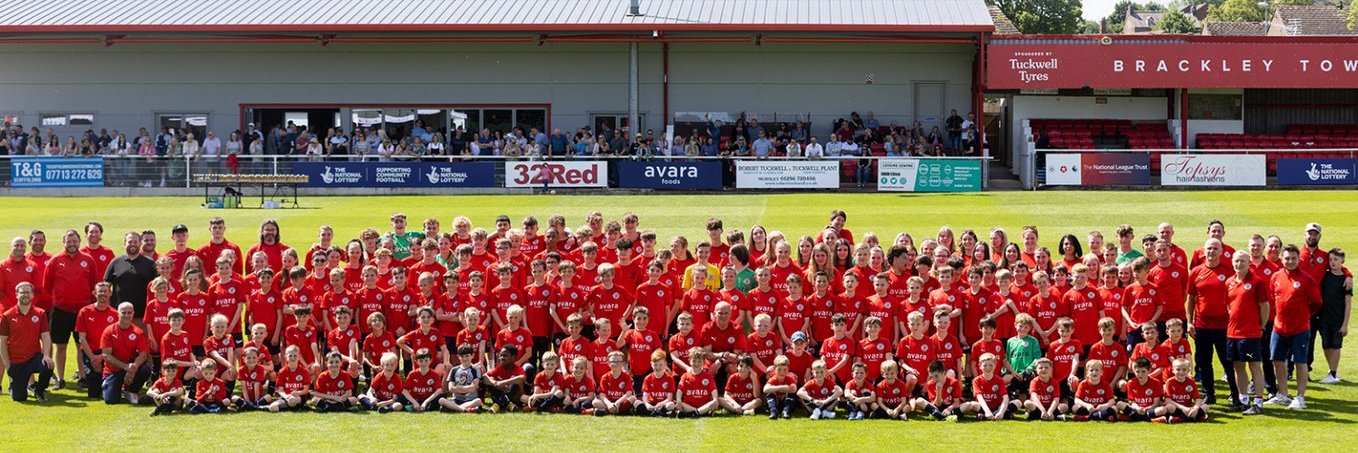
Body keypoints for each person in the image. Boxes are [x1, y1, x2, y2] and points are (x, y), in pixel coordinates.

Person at [1265, 245, 1322, 410]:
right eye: (1287, 258)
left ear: (1299, 260)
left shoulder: (1307, 279)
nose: (1290, 261)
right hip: (1279, 328)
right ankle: (1283, 394)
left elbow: (1317, 302)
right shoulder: (1276, 277)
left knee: (1300, 362)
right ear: (1282, 259)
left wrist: (1304, 315)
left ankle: (1300, 397)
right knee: (1277, 361)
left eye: (1293, 259)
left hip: (1300, 328)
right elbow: (1272, 299)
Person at [45, 229, 98, 390]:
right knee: (60, 346)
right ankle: (60, 379)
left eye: (74, 241)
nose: (72, 244)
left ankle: (83, 377)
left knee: (81, 345)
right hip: (61, 310)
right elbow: (47, 285)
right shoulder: (55, 260)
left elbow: (93, 283)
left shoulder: (88, 260)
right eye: (69, 241)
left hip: (82, 311)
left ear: (79, 242)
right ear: (64, 242)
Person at [1, 282, 53, 401]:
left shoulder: (40, 313)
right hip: (16, 361)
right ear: (16, 294)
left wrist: (46, 355)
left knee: (48, 365)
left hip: (34, 358)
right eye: (22, 292)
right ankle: (14, 385)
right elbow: (2, 342)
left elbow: (45, 336)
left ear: (32, 295)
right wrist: (8, 366)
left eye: (28, 292)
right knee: (19, 398)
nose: (25, 295)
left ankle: (39, 391)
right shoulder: (7, 316)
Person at [100, 302, 151, 404]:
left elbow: (144, 354)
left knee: (145, 369)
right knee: (111, 400)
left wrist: (134, 367)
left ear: (133, 313)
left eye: (129, 313)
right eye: (123, 313)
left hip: (130, 369)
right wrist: (125, 367)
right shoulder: (109, 331)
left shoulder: (138, 332)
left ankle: (130, 391)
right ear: (118, 314)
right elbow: (106, 355)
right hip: (113, 371)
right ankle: (111, 386)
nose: (127, 315)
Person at [1315, 248, 1350, 384]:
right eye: (1330, 260)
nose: (1333, 262)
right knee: (1326, 344)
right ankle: (1332, 370)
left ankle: (1333, 373)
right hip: (1323, 317)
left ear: (1342, 260)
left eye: (1336, 259)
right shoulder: (1325, 275)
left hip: (1338, 318)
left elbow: (1348, 303)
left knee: (1336, 345)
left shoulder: (1345, 280)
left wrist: (1345, 324)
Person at [104, 231, 156, 322]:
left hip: (142, 315)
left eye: (135, 242)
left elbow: (157, 288)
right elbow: (106, 286)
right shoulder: (116, 262)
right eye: (130, 242)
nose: (133, 244)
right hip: (119, 315)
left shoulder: (150, 263)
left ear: (140, 243)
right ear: (124, 243)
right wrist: (108, 308)